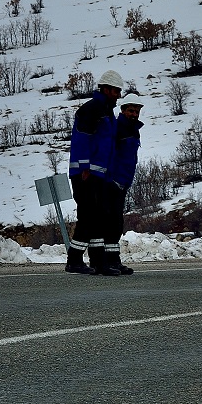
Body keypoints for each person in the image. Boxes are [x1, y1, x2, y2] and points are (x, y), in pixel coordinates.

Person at [66, 69, 124, 275]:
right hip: (86, 174)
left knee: (98, 217)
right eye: (116, 91)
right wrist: (84, 168)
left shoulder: (107, 112)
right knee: (89, 216)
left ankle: (99, 262)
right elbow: (82, 140)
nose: (118, 95)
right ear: (106, 89)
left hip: (99, 175)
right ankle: (74, 260)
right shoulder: (92, 109)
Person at [101, 92, 144, 276]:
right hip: (111, 182)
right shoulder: (117, 128)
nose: (134, 114)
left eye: (137, 111)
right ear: (123, 110)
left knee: (117, 224)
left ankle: (113, 260)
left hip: (123, 183)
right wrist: (110, 179)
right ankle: (105, 261)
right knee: (110, 223)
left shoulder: (133, 130)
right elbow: (107, 154)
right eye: (131, 110)